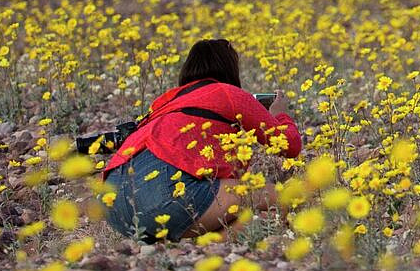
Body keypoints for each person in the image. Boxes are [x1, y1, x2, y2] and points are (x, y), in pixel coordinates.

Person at [101, 38, 303, 242]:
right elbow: (289, 146)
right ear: (230, 69)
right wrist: (280, 114)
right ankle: (210, 243)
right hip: (161, 191)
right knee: (282, 199)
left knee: (254, 215)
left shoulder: (165, 102)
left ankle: (196, 246)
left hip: (113, 204)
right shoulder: (227, 92)